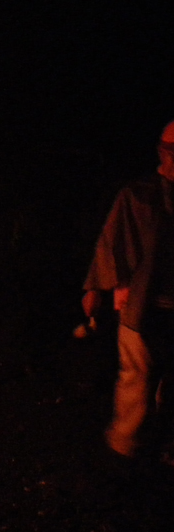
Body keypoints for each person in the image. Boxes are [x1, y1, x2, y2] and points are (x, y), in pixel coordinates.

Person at [82, 121, 174, 462]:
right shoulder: (140, 196)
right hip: (144, 305)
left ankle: (165, 442)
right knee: (138, 378)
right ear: (160, 152)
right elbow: (112, 242)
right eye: (170, 151)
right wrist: (96, 287)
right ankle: (124, 447)